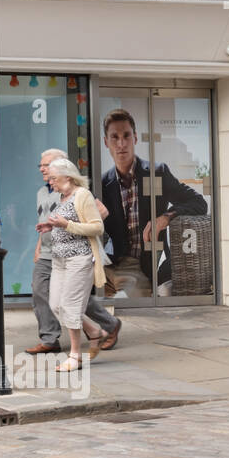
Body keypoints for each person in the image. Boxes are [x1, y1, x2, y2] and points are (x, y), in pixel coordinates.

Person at [98, 108, 209, 297]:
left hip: (140, 267)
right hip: (107, 265)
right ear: (106, 142)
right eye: (114, 137)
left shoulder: (156, 173)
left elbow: (198, 202)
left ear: (135, 138)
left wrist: (166, 217)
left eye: (126, 136)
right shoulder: (102, 183)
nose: (121, 143)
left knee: (126, 304)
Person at [28, 148, 123, 354]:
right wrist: (38, 247)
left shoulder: (76, 192)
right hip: (48, 252)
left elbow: (102, 213)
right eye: (41, 165)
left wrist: (73, 229)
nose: (42, 169)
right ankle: (50, 338)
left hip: (74, 253)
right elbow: (46, 222)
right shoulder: (43, 192)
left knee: (75, 299)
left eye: (47, 165)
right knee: (40, 291)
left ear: (61, 167)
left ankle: (107, 325)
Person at [41, 158, 107, 373]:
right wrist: (50, 226)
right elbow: (64, 224)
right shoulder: (61, 197)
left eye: (53, 178)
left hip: (79, 259)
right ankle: (95, 331)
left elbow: (97, 227)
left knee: (70, 306)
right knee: (56, 305)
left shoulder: (83, 195)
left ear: (67, 177)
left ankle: (75, 356)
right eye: (50, 178)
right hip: (59, 260)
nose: (50, 182)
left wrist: (66, 224)